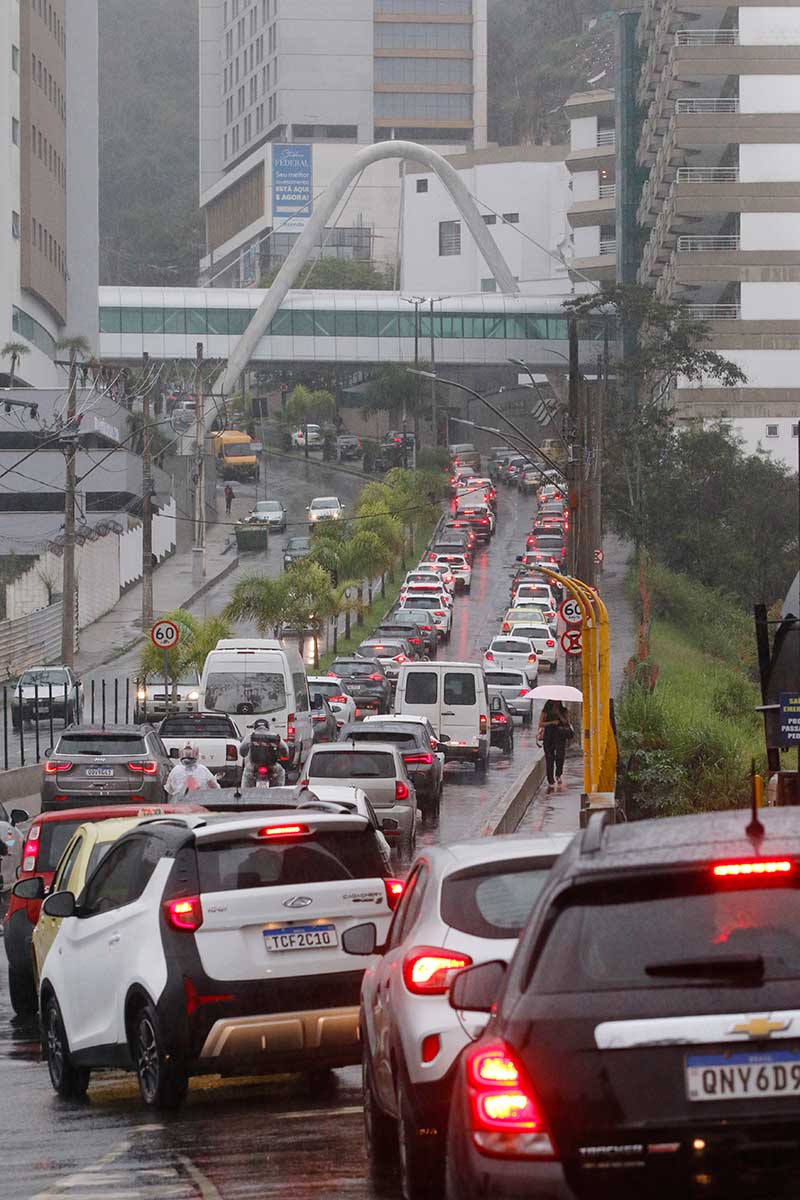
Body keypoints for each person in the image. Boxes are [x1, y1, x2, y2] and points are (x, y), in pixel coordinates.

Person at [240, 719, 289, 788]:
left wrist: (244, 754)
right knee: (281, 772)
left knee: (247, 774)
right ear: (267, 727)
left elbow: (242, 749)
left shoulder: (250, 736)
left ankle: (245, 795)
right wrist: (284, 755)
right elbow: (285, 749)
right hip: (272, 766)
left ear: (255, 727)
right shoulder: (275, 735)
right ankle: (279, 793)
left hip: (253, 766)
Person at [536, 700, 572, 793]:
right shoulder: (546, 711)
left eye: (558, 702)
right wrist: (552, 722)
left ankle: (558, 774)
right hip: (549, 736)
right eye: (554, 702)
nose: (556, 703)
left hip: (560, 736)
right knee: (549, 758)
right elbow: (540, 723)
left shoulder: (564, 711)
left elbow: (566, 723)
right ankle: (550, 780)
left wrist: (559, 714)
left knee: (560, 756)